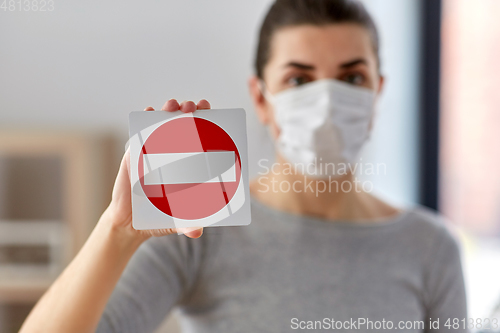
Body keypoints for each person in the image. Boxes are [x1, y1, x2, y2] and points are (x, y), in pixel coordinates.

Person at [20, 0, 468, 332]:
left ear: (377, 92)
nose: (326, 103)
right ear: (261, 98)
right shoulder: (199, 229)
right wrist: (118, 232)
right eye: (298, 79)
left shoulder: (431, 248)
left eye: (352, 78)